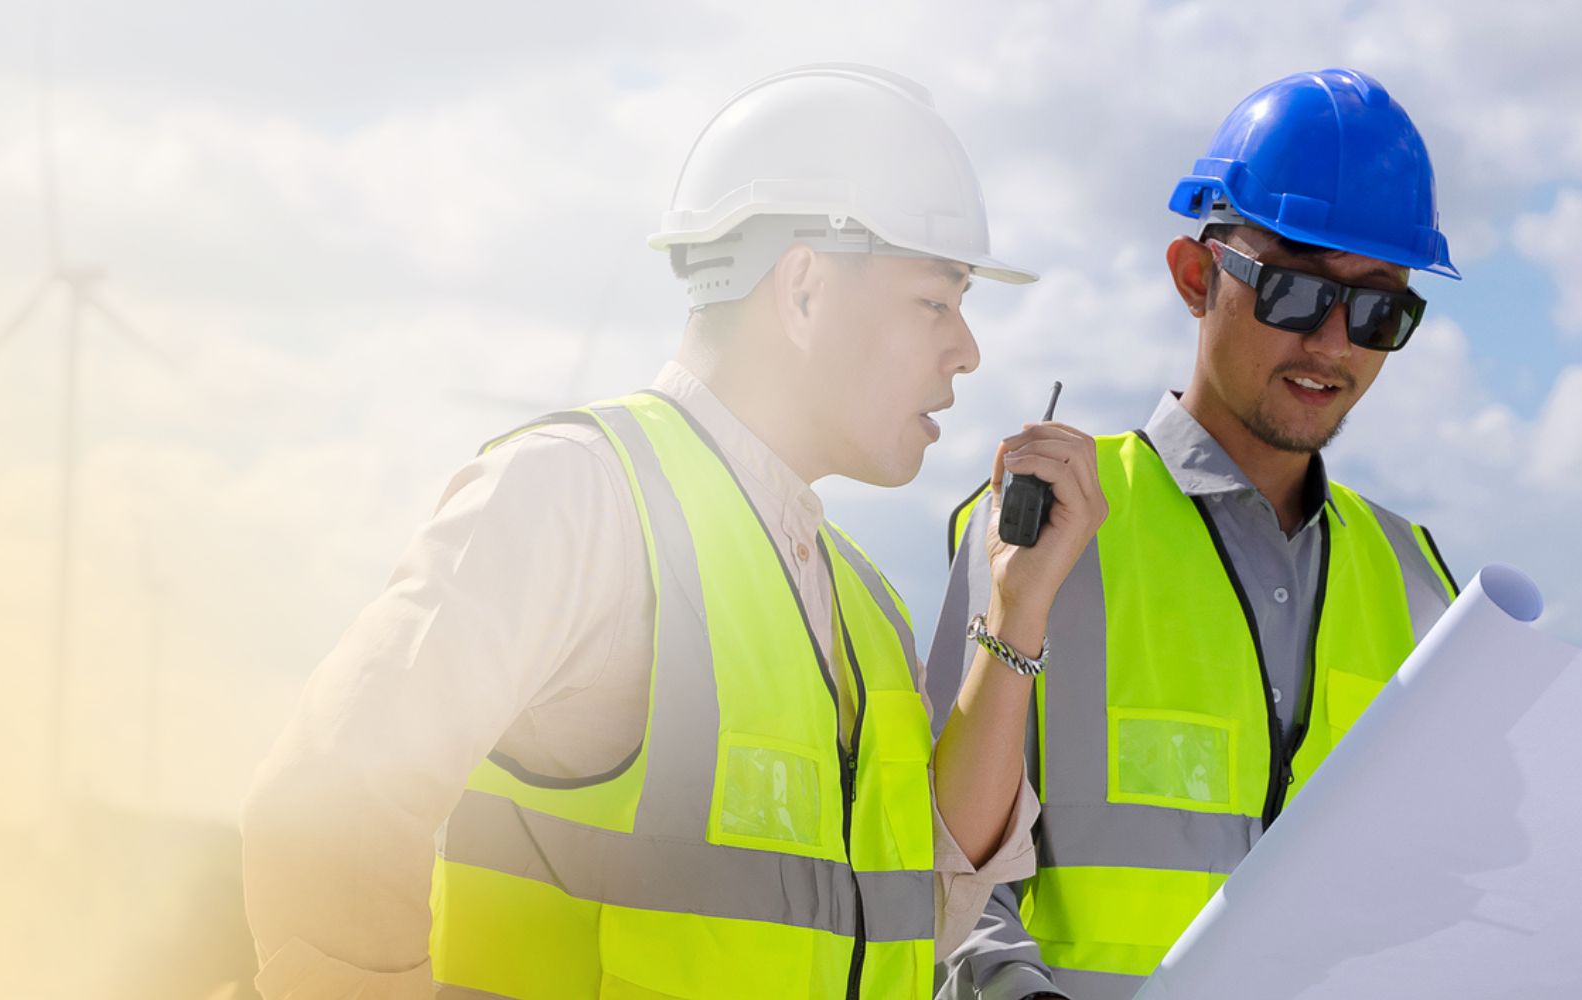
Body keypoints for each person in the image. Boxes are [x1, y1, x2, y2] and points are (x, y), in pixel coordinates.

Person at [239, 64, 1096, 999]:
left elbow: (921, 905)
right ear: (804, 288)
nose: (968, 348)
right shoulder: (578, 497)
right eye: (937, 300)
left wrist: (1016, 616)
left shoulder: (862, 601)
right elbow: (327, 806)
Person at [929, 68, 1464, 1000]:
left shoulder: (1421, 581)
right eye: (1297, 293)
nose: (1333, 344)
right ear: (1194, 277)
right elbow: (941, 876)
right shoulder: (1046, 526)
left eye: (1379, 310)